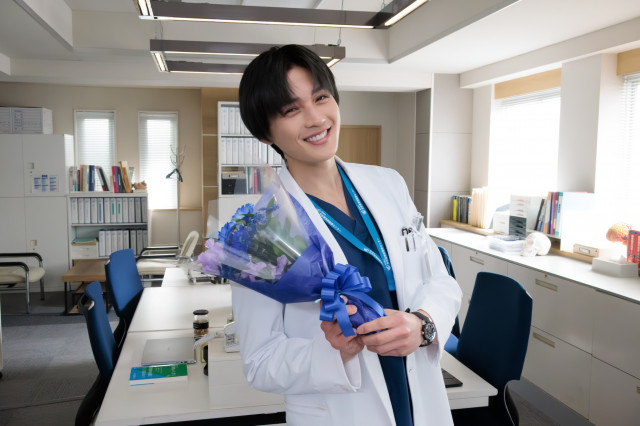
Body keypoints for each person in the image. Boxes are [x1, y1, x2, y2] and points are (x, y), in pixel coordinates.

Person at [232, 44, 462, 426]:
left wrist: (424, 324)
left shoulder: (389, 183)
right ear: (265, 133)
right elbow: (260, 361)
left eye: (321, 97)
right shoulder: (262, 233)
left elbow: (440, 279)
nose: (315, 118)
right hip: (342, 410)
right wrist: (334, 353)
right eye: (291, 110)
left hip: (419, 394)